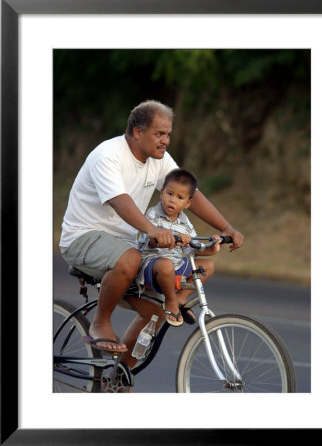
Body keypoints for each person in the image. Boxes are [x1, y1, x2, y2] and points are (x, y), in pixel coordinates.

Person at [59, 99, 244, 366]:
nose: (165, 140)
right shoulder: (108, 155)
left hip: (126, 243)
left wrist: (226, 228)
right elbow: (119, 200)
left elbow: (191, 194)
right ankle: (100, 323)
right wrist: (152, 229)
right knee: (132, 258)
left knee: (157, 312)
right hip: (84, 236)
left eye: (168, 134)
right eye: (159, 133)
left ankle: (119, 378)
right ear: (137, 131)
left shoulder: (159, 159)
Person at [137, 168, 221, 327]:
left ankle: (180, 298)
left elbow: (192, 249)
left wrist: (211, 248)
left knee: (207, 266)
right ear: (161, 193)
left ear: (188, 203)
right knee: (166, 265)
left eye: (180, 197)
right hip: (152, 265)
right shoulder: (153, 214)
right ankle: (170, 302)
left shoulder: (186, 224)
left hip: (176, 265)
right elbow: (150, 241)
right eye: (169, 194)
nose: (173, 200)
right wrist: (171, 239)